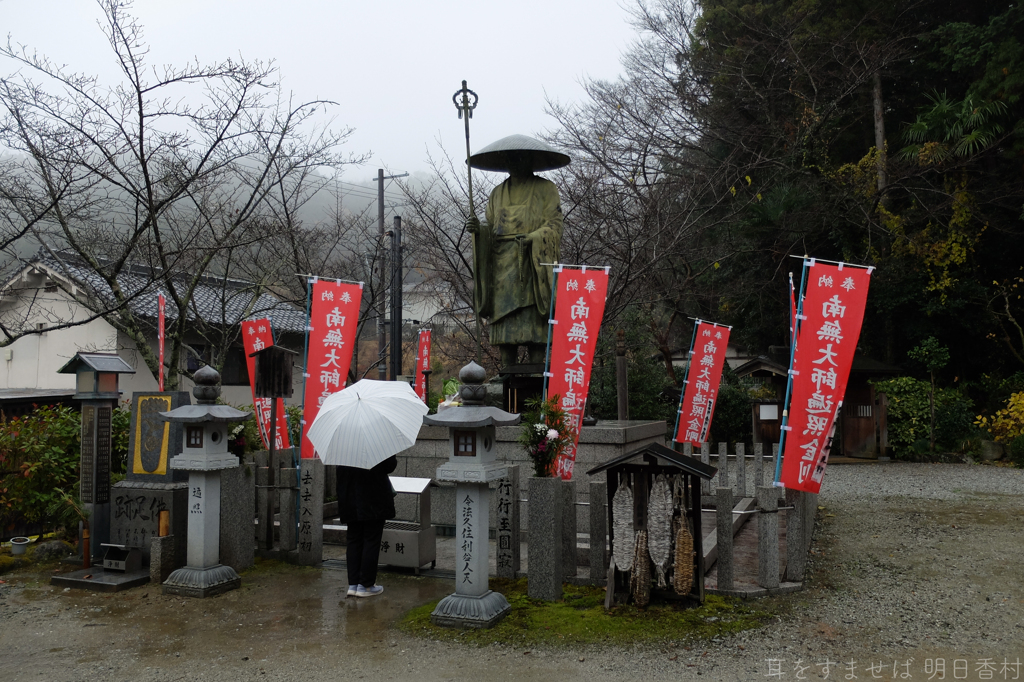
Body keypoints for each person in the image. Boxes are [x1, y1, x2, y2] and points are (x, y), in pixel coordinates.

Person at [466, 135, 570, 367]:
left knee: (535, 325)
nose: (514, 162)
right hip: (502, 270)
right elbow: (490, 229)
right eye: (510, 158)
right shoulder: (497, 193)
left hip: (532, 266)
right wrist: (479, 231)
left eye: (520, 157)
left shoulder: (546, 189)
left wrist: (533, 238)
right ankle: (506, 371)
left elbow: (555, 225)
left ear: (531, 160)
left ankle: (537, 372)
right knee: (505, 330)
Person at [336, 455, 397, 597]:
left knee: (353, 539)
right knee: (371, 539)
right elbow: (389, 465)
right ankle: (366, 585)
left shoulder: (343, 446)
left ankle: (353, 584)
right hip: (373, 497)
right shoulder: (378, 443)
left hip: (349, 497)